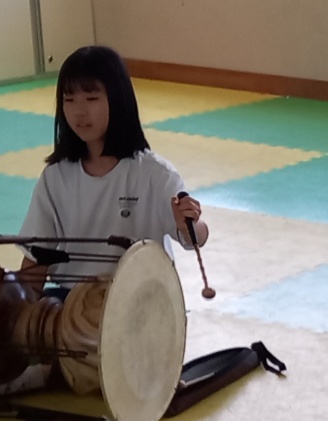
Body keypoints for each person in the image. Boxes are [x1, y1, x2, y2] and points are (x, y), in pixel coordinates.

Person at [18, 44, 207, 287]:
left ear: (118, 100)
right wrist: (20, 303)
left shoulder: (156, 175)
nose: (79, 111)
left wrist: (190, 224)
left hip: (141, 299)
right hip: (72, 300)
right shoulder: (55, 176)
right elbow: (36, 257)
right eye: (69, 99)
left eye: (91, 98)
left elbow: (194, 237)